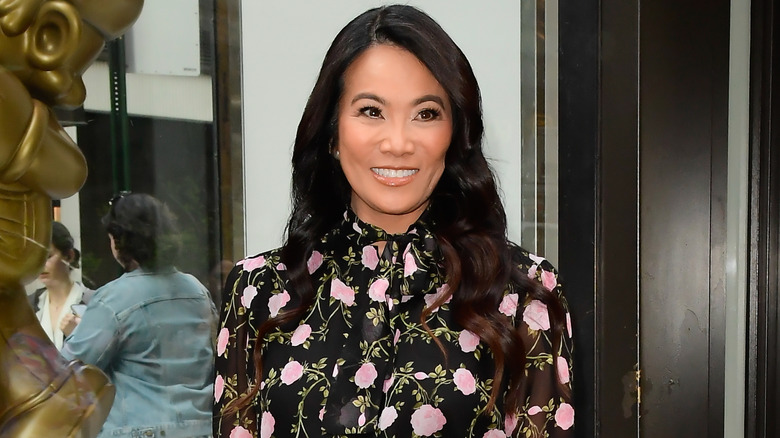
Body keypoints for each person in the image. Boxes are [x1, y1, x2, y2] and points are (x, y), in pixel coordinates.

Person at [214, 5, 574, 438]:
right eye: (371, 111)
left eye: (426, 114)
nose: (398, 143)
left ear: (455, 135)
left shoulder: (522, 291)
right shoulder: (258, 290)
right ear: (331, 133)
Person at [62, 193, 217, 438]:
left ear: (119, 241)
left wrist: (76, 332)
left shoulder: (113, 298)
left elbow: (69, 371)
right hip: (202, 427)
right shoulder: (197, 290)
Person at [27, 221, 93, 349]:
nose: (40, 265)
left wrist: (76, 336)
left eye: (48, 256)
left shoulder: (92, 302)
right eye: (36, 257)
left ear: (69, 256)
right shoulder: (29, 305)